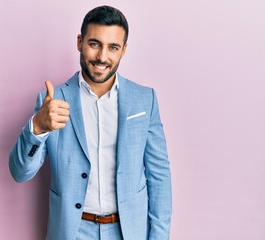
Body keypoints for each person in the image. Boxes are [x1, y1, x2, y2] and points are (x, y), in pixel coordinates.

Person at [9, 5, 172, 240]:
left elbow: (159, 177)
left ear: (123, 50)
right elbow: (19, 172)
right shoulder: (53, 102)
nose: (102, 57)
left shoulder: (145, 100)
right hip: (72, 232)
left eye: (113, 47)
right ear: (79, 42)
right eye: (94, 44)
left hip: (128, 232)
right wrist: (37, 128)